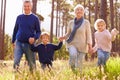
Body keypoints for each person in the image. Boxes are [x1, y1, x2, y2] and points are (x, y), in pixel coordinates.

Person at [61, 4, 92, 72]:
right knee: (73, 55)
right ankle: (72, 69)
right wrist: (63, 37)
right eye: (77, 9)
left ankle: (78, 75)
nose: (79, 11)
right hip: (72, 43)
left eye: (81, 10)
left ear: (83, 12)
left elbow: (89, 34)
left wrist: (90, 45)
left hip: (82, 45)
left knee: (79, 63)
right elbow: (68, 33)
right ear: (75, 12)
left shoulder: (86, 22)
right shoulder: (71, 23)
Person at [12, 0, 41, 72]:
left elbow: (38, 32)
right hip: (19, 42)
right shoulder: (19, 17)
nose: (26, 8)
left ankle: (32, 77)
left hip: (30, 44)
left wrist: (34, 38)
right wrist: (13, 41)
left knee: (32, 64)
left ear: (31, 7)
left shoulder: (35, 18)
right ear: (23, 7)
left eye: (28, 6)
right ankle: (16, 76)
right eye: (25, 6)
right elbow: (15, 30)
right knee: (16, 61)